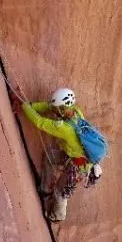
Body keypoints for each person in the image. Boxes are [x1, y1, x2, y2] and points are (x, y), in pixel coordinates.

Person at [12, 87, 101, 222]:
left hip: (78, 168)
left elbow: (40, 122)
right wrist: (31, 106)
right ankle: (45, 189)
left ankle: (57, 216)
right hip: (74, 157)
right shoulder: (76, 111)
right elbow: (48, 106)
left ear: (62, 108)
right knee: (50, 156)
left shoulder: (65, 128)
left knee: (60, 193)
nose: (54, 110)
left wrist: (25, 107)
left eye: (57, 108)